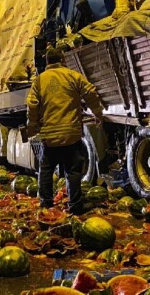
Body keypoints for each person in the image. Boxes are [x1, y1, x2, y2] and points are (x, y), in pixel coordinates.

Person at [26, 47, 104, 215]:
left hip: (49, 135)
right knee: (73, 171)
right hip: (71, 133)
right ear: (62, 60)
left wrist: (32, 125)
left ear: (47, 62)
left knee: (46, 170)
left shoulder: (39, 81)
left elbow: (32, 104)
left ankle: (46, 205)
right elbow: (90, 92)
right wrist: (97, 113)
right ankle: (75, 205)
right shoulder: (72, 75)